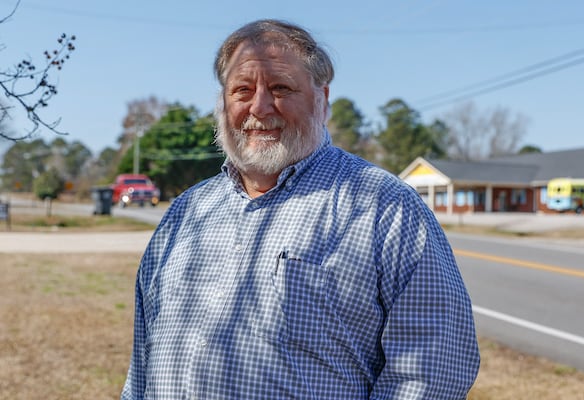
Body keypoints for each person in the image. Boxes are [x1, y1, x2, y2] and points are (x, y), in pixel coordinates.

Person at [121, 19, 480, 399]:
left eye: (280, 88)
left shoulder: (385, 207)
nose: (259, 107)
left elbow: (434, 370)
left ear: (322, 99)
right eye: (242, 90)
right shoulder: (186, 212)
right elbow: (143, 361)